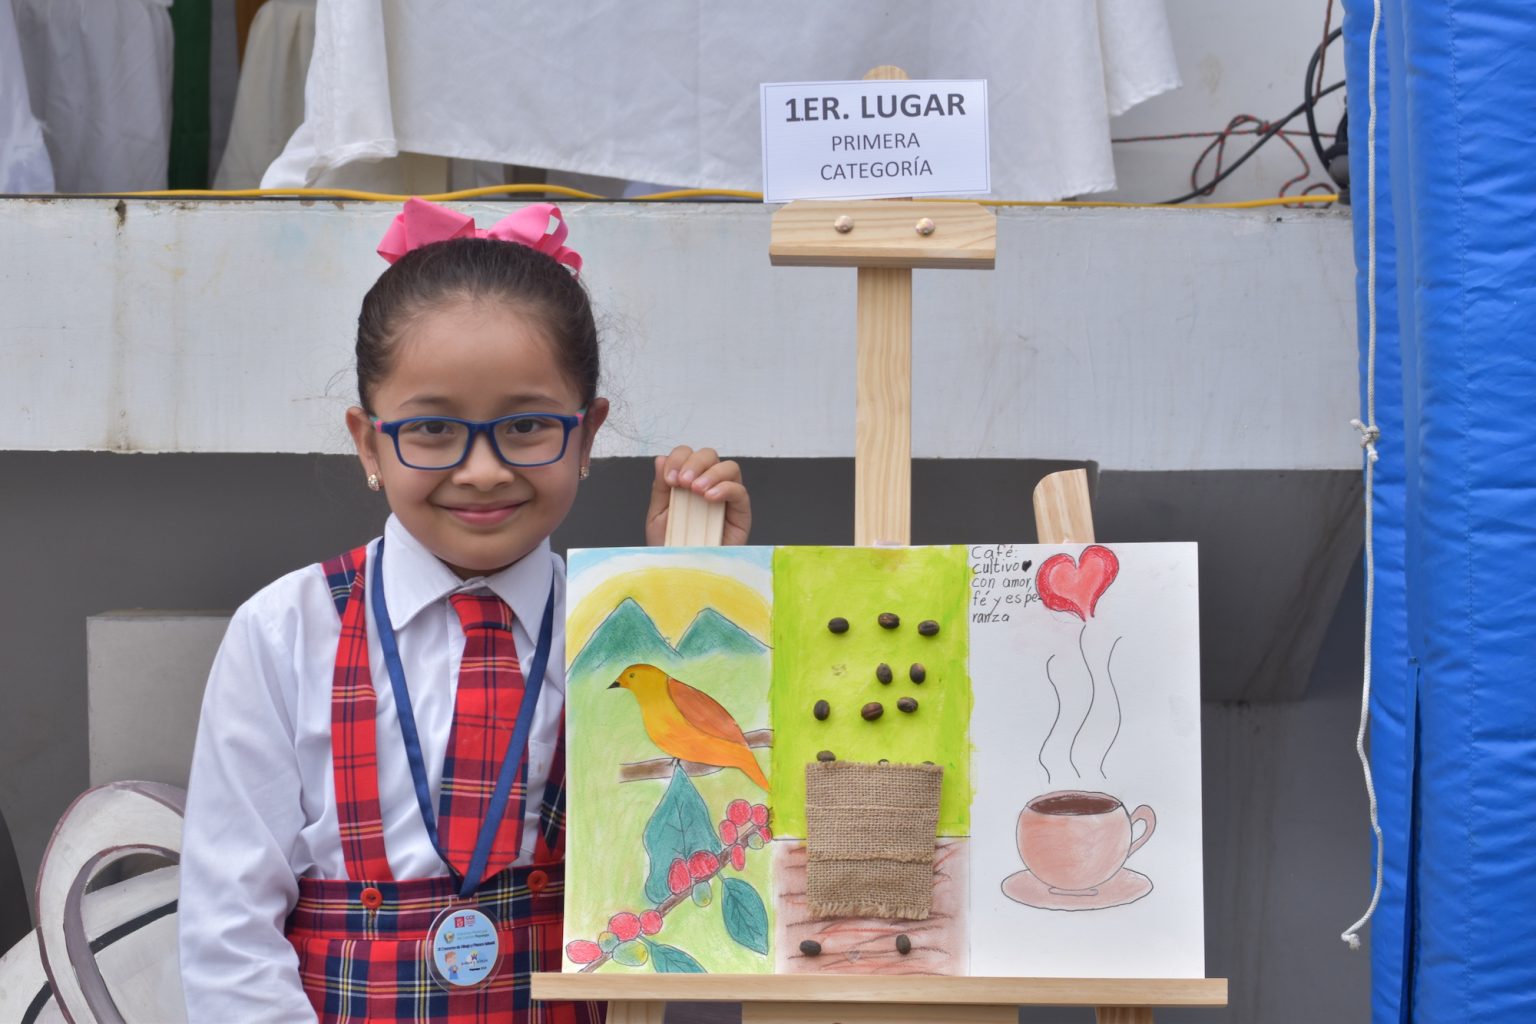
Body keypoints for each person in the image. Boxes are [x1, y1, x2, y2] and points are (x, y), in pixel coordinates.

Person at [178, 198, 751, 1022]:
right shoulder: (284, 632)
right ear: (369, 443)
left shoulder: (618, 635)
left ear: (588, 436)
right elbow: (229, 932)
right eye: (432, 430)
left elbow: (690, 852)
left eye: (528, 426)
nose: (482, 470)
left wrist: (691, 580)